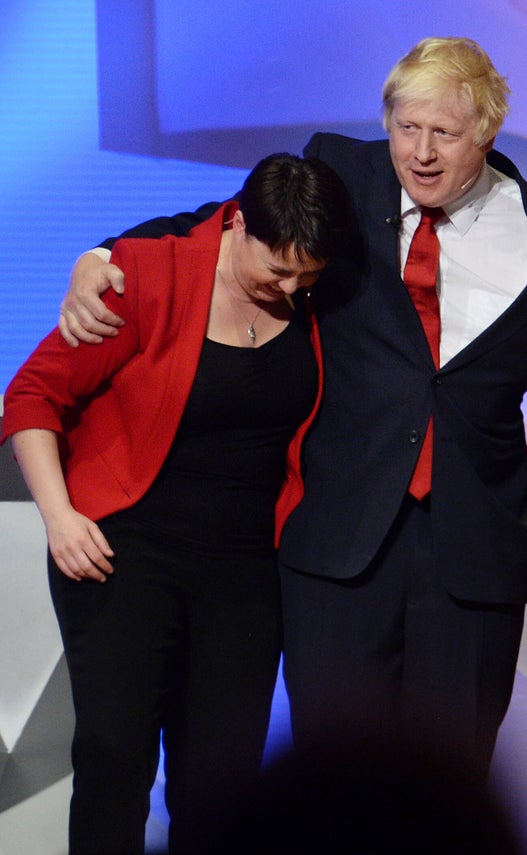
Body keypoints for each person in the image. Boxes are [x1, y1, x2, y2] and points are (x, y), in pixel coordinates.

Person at [58, 37, 527, 784]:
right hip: (336, 540)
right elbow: (226, 224)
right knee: (332, 777)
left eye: (443, 134)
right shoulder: (341, 171)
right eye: (405, 128)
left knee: (448, 783)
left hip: (475, 548)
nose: (419, 153)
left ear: (486, 129)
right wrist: (103, 254)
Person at [1, 153, 351, 854]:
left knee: (221, 782)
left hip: (248, 571)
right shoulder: (146, 278)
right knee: (115, 758)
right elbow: (32, 396)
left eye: (306, 276)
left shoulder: (316, 298)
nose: (290, 288)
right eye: (278, 270)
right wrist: (60, 516)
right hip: (124, 556)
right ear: (238, 223)